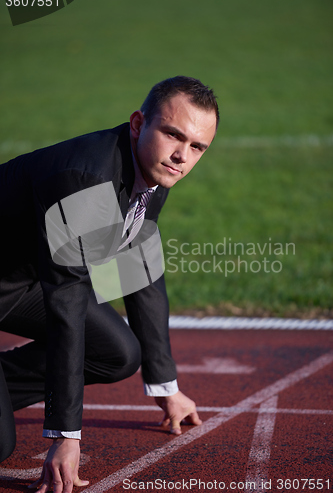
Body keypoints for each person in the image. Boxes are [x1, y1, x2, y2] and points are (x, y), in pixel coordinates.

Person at [0, 76, 219, 492]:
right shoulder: (85, 179)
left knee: (117, 354)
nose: (182, 156)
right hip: (31, 282)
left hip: (19, 281)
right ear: (138, 124)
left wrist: (165, 386)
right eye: (173, 135)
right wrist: (65, 435)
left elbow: (138, 267)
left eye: (197, 147)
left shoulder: (155, 169)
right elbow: (67, 302)